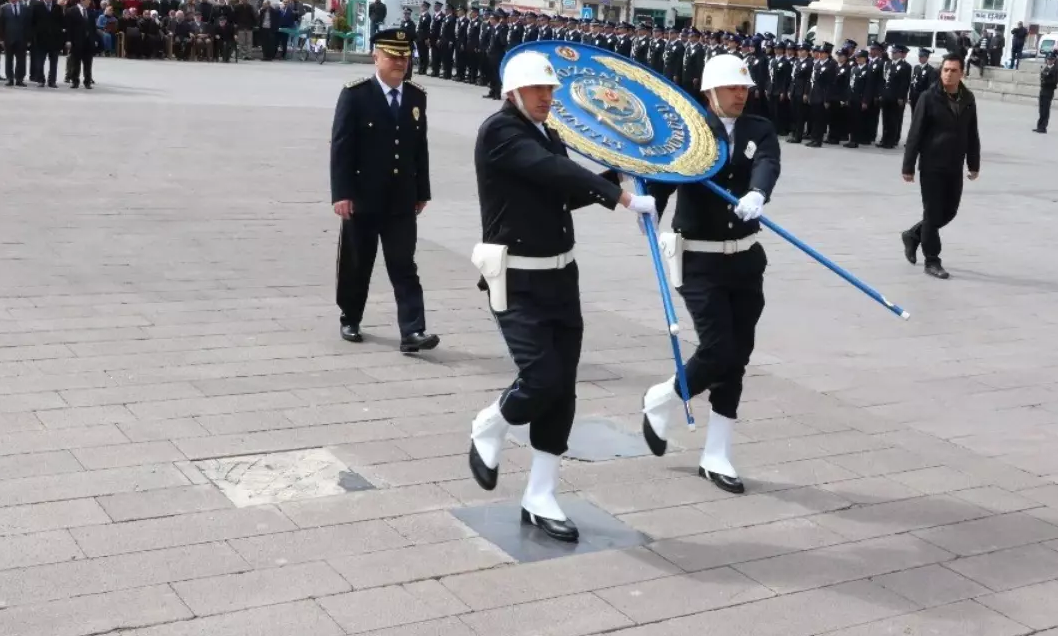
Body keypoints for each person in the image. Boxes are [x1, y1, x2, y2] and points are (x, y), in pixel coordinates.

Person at [466, 50, 659, 543]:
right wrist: (622, 197)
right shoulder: (500, 132)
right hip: (518, 278)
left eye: (550, 91)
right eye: (538, 90)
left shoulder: (546, 134)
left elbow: (569, 192)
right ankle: (491, 424)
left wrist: (617, 173)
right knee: (542, 376)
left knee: (563, 388)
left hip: (560, 276)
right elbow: (553, 173)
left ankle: (541, 492)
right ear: (514, 91)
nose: (547, 98)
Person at [642, 54, 781, 495]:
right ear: (709, 92)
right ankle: (665, 396)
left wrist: (758, 192)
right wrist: (649, 208)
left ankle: (716, 452)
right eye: (732, 88)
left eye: (745, 88)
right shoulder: (689, 132)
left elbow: (768, 163)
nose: (741, 94)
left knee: (738, 355)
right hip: (699, 259)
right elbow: (661, 178)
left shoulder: (759, 128)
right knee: (718, 348)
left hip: (745, 258)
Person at [330, 28, 439, 353]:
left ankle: (413, 331)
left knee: (404, 265)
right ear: (376, 56)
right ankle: (350, 317)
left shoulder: (416, 96)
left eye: (405, 56)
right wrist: (341, 193)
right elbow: (341, 148)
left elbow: (420, 148)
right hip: (362, 197)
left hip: (401, 200)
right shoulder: (356, 94)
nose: (400, 62)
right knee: (357, 263)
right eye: (393, 55)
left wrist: (423, 190)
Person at [900, 53, 980, 280]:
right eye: (945, 69)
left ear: (961, 73)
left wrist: (974, 163)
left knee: (949, 212)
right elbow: (915, 133)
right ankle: (932, 261)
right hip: (932, 165)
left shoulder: (968, 98)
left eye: (954, 70)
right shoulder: (928, 97)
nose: (949, 73)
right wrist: (908, 165)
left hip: (955, 165)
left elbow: (972, 133)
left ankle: (913, 234)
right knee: (933, 212)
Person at [31, 0, 66, 87]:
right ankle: (41, 80)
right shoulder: (37, 7)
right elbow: (32, 23)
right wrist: (34, 35)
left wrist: (61, 36)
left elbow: (62, 22)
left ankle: (52, 81)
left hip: (54, 40)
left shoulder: (57, 7)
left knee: (54, 62)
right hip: (41, 39)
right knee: (40, 62)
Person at [879, 44, 912, 148]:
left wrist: (901, 97)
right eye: (892, 52)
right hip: (886, 95)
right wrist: (881, 93)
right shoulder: (888, 64)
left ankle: (891, 141)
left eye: (895, 53)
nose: (893, 54)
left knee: (893, 119)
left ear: (900, 53)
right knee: (885, 119)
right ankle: (884, 139)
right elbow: (884, 80)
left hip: (895, 97)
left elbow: (904, 83)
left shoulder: (905, 66)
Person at [0, 0, 31, 87]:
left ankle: (19, 79)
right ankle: (10, 78)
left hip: (21, 38)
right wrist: (1, 38)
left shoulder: (24, 8)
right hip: (8, 38)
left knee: (21, 59)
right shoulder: (3, 8)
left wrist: (29, 39)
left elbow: (28, 24)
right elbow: (0, 24)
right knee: (9, 59)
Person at [65, 0, 97, 89]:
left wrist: (94, 39)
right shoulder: (71, 11)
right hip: (76, 40)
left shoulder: (90, 12)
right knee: (76, 62)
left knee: (88, 63)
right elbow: (68, 27)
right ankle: (75, 81)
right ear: (82, 0)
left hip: (88, 41)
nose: (90, 1)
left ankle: (87, 81)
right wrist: (68, 40)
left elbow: (93, 27)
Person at [843, 49, 870, 148]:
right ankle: (851, 139)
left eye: (860, 57)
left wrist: (865, 101)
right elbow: (849, 84)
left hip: (860, 98)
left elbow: (868, 87)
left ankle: (855, 140)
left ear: (865, 58)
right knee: (851, 119)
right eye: (856, 57)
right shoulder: (854, 68)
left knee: (857, 120)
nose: (857, 59)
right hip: (852, 97)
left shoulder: (868, 69)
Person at [1035, 52, 1058, 134]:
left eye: (1051, 59)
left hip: (1048, 91)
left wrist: (1046, 80)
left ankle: (1043, 127)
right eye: (1048, 59)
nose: (1049, 61)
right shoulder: (1045, 68)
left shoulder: (1055, 69)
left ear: (1054, 60)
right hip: (1043, 90)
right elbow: (1042, 77)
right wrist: (1044, 79)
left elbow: (1055, 81)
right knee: (1041, 110)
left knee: (1045, 110)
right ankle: (1039, 126)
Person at [909, 48, 936, 114]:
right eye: (919, 56)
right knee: (914, 114)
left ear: (927, 57)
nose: (920, 58)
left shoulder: (930, 70)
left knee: (921, 115)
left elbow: (930, 85)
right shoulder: (916, 67)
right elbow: (912, 83)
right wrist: (910, 96)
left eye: (921, 56)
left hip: (922, 96)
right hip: (914, 96)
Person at [416, 1, 433, 76]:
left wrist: (427, 38)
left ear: (426, 7)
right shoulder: (421, 15)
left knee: (424, 54)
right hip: (419, 37)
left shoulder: (427, 16)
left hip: (424, 37)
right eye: (421, 6)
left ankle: (424, 69)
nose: (421, 7)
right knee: (420, 54)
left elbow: (427, 28)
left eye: (423, 6)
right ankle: (420, 68)